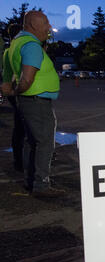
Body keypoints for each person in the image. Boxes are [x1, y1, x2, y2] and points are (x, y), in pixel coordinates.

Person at [8, 11, 65, 198]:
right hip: (36, 100)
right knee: (45, 143)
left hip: (28, 101)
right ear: (33, 25)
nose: (49, 27)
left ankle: (30, 180)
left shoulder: (18, 42)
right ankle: (41, 185)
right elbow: (27, 79)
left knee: (31, 142)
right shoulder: (31, 45)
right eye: (46, 23)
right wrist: (15, 91)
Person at [2, 24, 25, 173]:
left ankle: (18, 161)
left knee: (19, 127)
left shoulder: (7, 51)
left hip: (13, 91)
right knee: (27, 128)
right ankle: (25, 161)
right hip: (21, 90)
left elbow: (5, 76)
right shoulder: (20, 49)